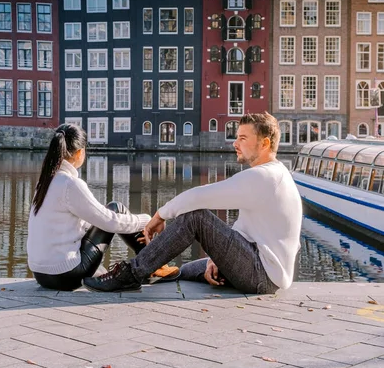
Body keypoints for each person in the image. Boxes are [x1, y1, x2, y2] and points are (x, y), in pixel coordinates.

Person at [83, 112, 303, 294]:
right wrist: (217, 259)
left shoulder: (264, 177)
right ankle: (155, 271)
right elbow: (247, 229)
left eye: (243, 138)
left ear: (264, 143)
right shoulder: (276, 175)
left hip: (260, 273)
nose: (235, 143)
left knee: (196, 217)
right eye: (237, 137)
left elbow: (199, 197)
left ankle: (130, 274)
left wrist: (160, 215)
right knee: (183, 270)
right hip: (262, 269)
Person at [27, 123, 177, 291]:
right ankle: (154, 265)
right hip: (65, 275)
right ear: (80, 152)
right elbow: (109, 221)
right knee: (115, 208)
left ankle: (151, 263)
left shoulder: (45, 182)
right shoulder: (70, 184)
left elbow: (78, 224)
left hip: (41, 275)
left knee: (102, 265)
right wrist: (146, 220)